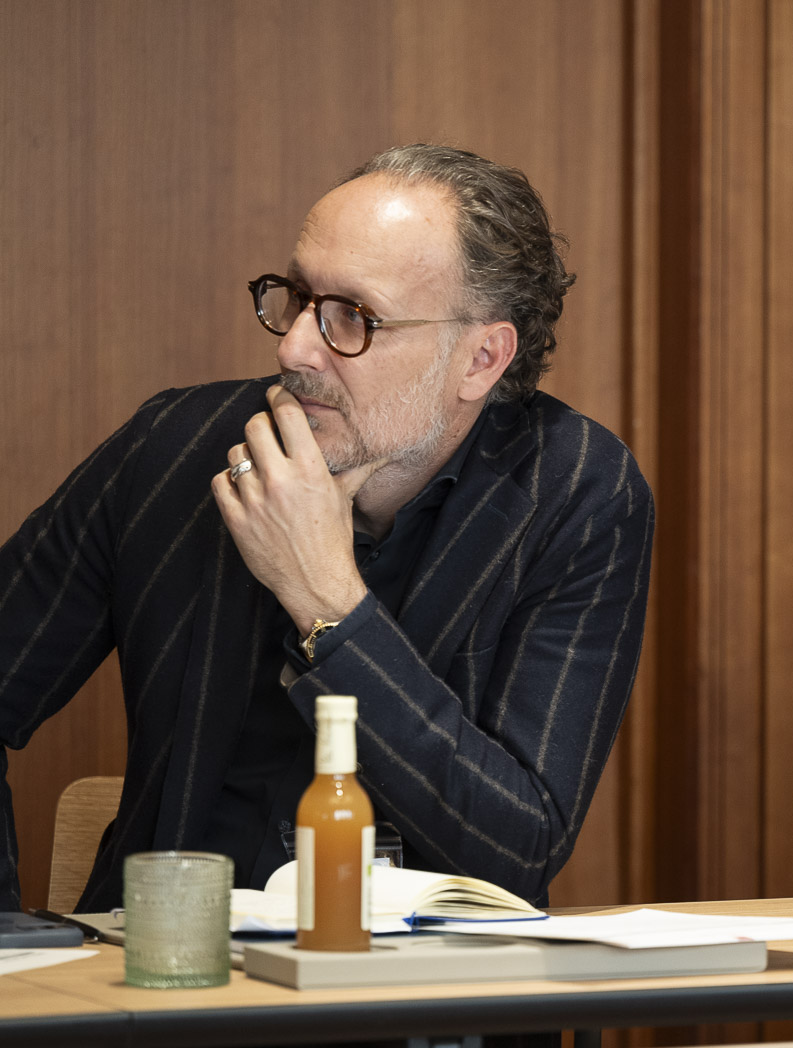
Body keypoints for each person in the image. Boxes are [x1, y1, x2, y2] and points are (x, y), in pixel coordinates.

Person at [0, 144, 653, 911]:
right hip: (167, 962)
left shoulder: (575, 495)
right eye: (298, 297)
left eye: (354, 317)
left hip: (422, 982)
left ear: (481, 358)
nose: (294, 347)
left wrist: (327, 603)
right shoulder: (174, 448)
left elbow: (518, 848)